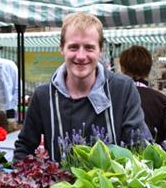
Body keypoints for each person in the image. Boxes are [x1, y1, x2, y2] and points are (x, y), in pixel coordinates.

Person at [14, 13, 151, 162]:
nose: (80, 56)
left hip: (112, 184)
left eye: (89, 48)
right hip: (59, 185)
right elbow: (24, 147)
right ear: (61, 48)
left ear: (100, 49)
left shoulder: (122, 90)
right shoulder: (44, 96)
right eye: (73, 47)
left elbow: (140, 146)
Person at [119, 45, 166, 150]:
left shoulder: (115, 97)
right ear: (149, 69)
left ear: (123, 69)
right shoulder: (160, 99)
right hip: (154, 162)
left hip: (119, 161)